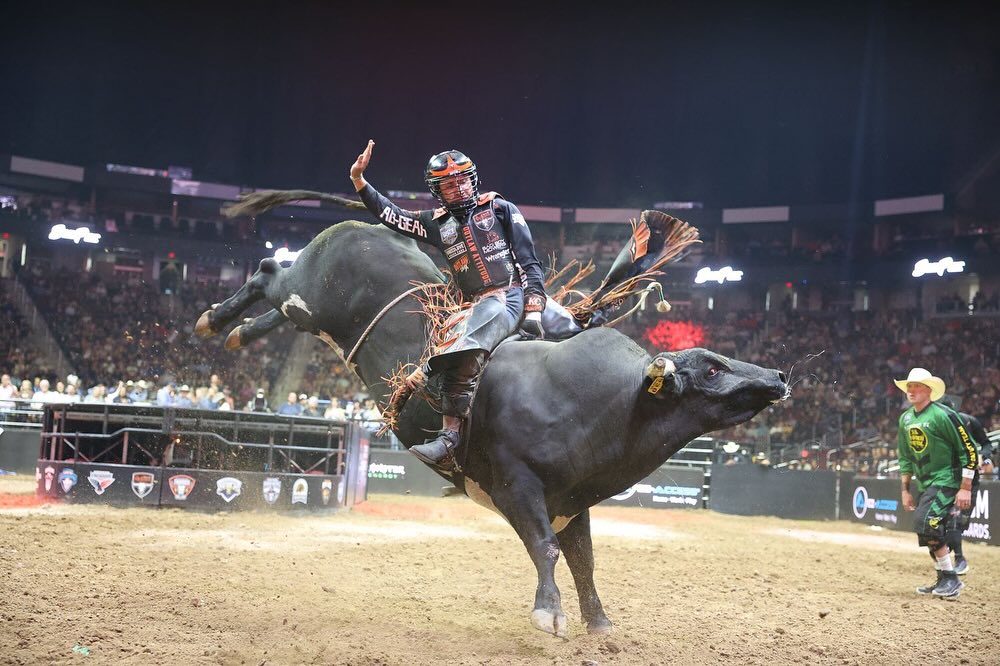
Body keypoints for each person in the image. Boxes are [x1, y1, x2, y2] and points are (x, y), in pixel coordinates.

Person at [350, 140, 546, 470]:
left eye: (462, 180)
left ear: (473, 179)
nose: (458, 188)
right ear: (437, 191)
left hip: (511, 294)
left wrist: (535, 305)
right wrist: (360, 181)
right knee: (464, 340)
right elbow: (393, 216)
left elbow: (528, 259)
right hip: (479, 302)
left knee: (572, 323)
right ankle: (450, 439)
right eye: (449, 185)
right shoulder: (434, 223)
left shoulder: (499, 208)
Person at [895, 368, 978, 598]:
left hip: (947, 479)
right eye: (909, 386)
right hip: (926, 482)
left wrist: (965, 487)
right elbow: (904, 457)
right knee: (926, 530)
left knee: (926, 523)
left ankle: (951, 579)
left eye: (917, 386)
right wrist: (905, 490)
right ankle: (944, 578)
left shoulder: (944, 415)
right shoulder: (906, 418)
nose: (911, 390)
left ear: (929, 390)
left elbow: (969, 450)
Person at [937, 395, 992, 575]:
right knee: (942, 522)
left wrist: (984, 456)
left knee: (956, 520)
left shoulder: (968, 422)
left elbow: (985, 443)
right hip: (946, 478)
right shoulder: (936, 427)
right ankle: (949, 555)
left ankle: (960, 559)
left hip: (969, 479)